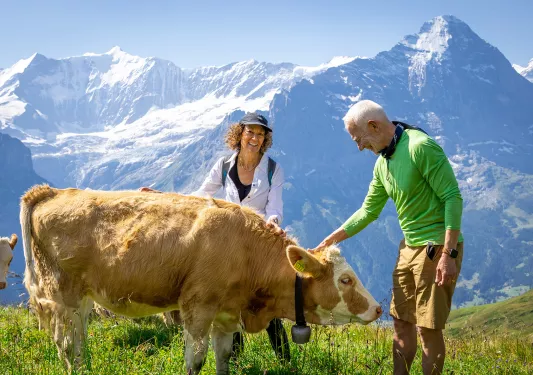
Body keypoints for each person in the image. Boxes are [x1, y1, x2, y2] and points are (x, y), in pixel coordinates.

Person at [311, 100, 463, 375]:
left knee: (427, 328)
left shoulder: (420, 147)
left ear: (374, 125)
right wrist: (328, 241)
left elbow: (452, 198)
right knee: (401, 323)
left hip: (436, 246)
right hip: (409, 247)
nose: (359, 147)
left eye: (359, 139)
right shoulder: (383, 164)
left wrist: (448, 254)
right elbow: (368, 211)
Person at [141, 112, 290, 362]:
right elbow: (200, 196)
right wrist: (163, 197)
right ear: (240, 134)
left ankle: (285, 360)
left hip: (259, 244)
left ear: (265, 139)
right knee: (232, 299)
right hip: (230, 245)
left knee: (267, 303)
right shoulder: (223, 166)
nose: (255, 137)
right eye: (250, 132)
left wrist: (273, 222)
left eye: (260, 134)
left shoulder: (274, 170)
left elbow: (274, 209)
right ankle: (237, 360)